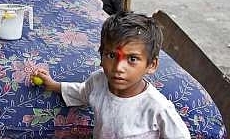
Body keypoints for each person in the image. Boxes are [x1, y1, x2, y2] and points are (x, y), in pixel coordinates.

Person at [32, 12, 191, 138]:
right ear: (101, 56)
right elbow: (83, 92)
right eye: (112, 56)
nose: (119, 67)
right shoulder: (98, 81)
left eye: (132, 59)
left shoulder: (157, 108)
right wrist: (54, 85)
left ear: (151, 65)